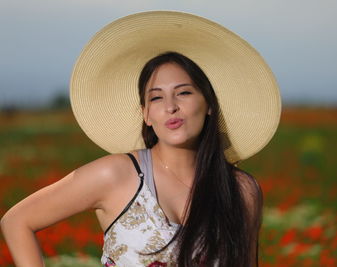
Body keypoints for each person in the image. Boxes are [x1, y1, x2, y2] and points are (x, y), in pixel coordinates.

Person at [0, 11, 281, 267]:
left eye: (184, 93)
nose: (170, 106)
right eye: (156, 97)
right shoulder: (117, 174)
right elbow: (17, 221)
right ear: (146, 114)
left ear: (208, 104)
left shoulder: (242, 190)